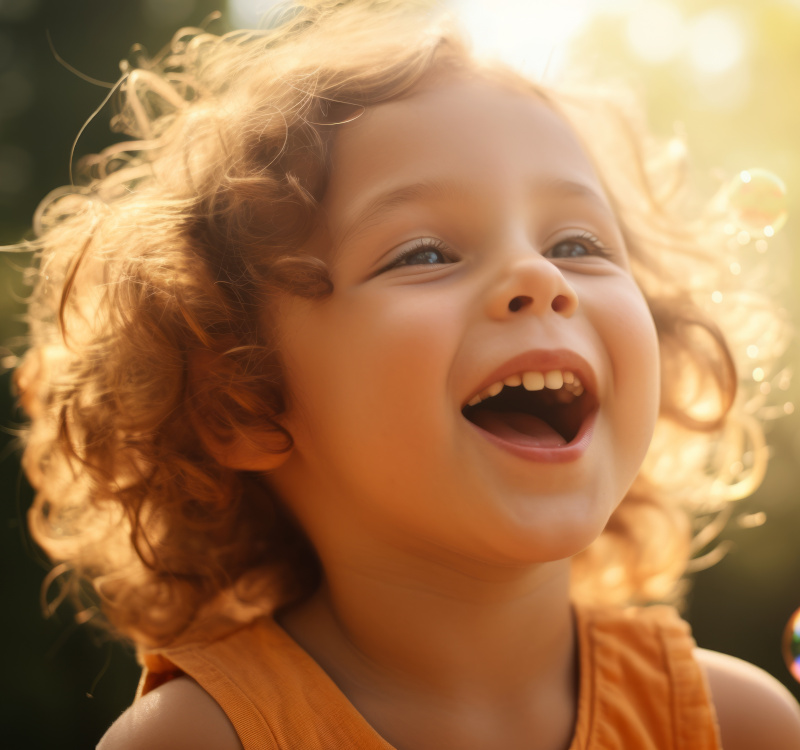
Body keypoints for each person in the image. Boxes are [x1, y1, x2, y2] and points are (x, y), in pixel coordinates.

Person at [11, 1, 800, 748]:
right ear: (244, 402)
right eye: (425, 254)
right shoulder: (203, 739)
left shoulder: (737, 727)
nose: (539, 275)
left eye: (578, 244)